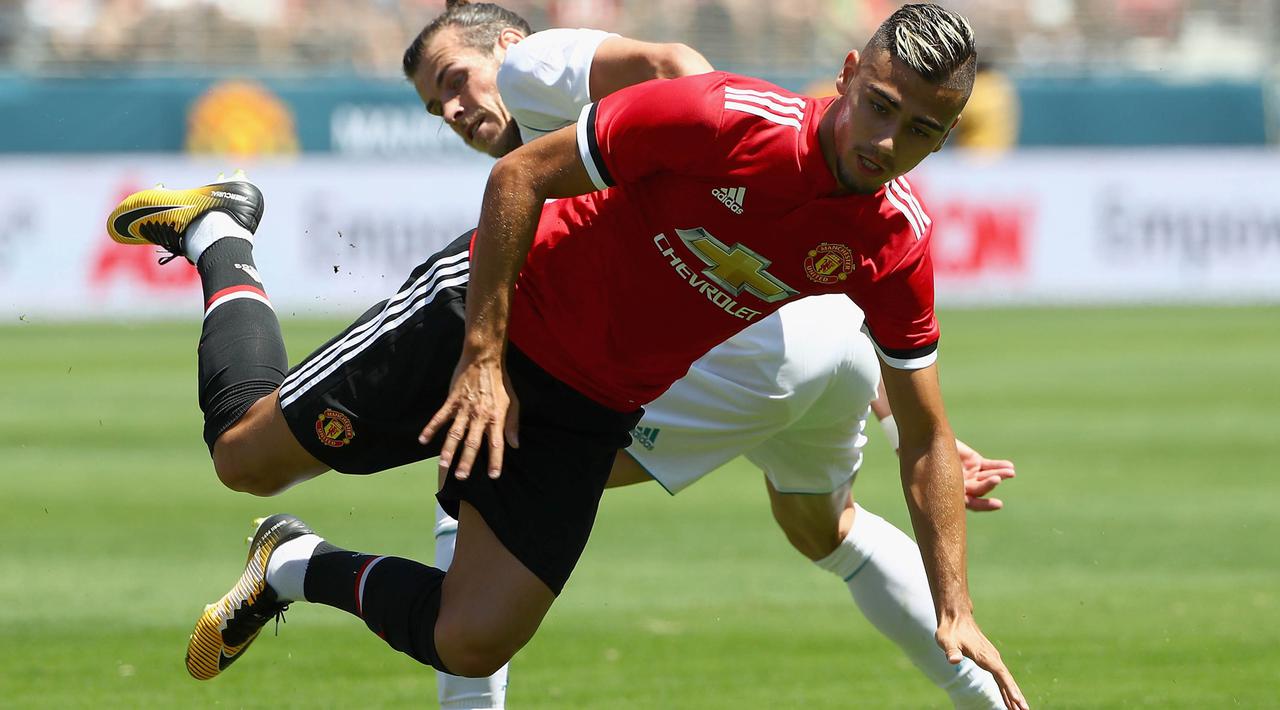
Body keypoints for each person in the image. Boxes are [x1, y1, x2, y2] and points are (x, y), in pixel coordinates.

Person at [105, 4, 1028, 709]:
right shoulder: (724, 120)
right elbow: (520, 176)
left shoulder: (894, 239)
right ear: (848, 72)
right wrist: (482, 358)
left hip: (590, 406)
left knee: (471, 641)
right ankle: (222, 235)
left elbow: (927, 433)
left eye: (922, 133)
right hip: (492, 313)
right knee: (244, 458)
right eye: (880, 108)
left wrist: (957, 605)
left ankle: (293, 567)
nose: (887, 143)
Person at [404, 3, 1014, 708]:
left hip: (745, 361)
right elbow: (797, 267)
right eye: (432, 103)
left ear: (507, 45)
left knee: (490, 459)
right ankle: (993, 699)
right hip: (819, 344)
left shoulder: (539, 70)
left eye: (456, 79)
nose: (453, 108)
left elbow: (682, 75)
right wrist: (901, 425)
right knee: (826, 529)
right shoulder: (857, 196)